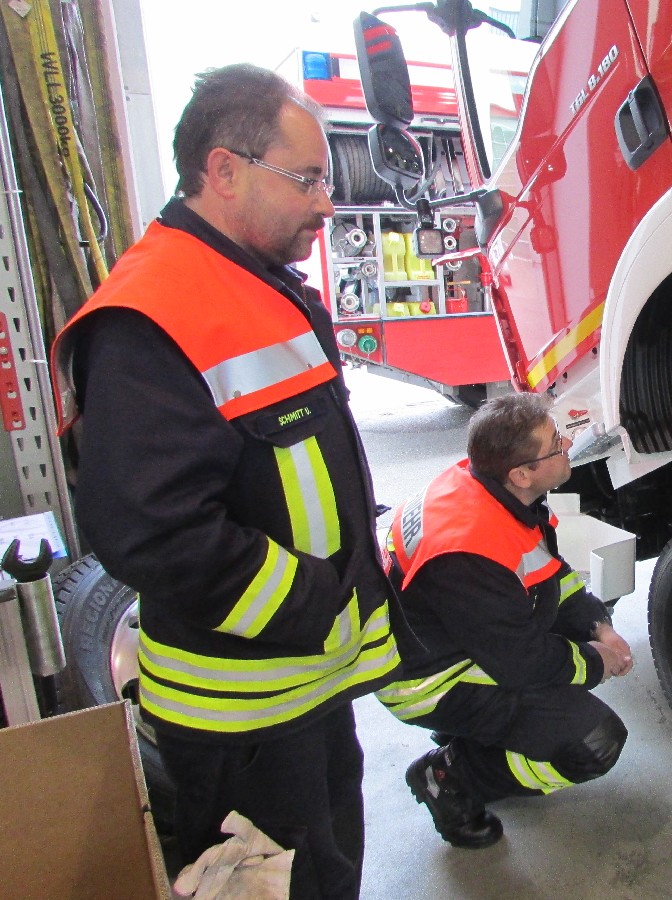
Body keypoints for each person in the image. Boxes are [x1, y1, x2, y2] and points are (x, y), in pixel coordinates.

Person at [50, 64, 404, 899]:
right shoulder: (151, 315)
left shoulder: (256, 283)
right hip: (243, 718)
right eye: (307, 179)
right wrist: (311, 599)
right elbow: (149, 530)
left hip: (303, 691)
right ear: (224, 170)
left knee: (328, 874)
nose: (327, 204)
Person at [376, 392, 633, 849]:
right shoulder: (469, 551)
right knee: (594, 740)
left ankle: (469, 736)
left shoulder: (488, 490)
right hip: (426, 682)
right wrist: (597, 661)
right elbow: (522, 661)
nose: (567, 444)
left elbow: (547, 574)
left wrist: (598, 625)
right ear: (522, 473)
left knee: (560, 643)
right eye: (555, 443)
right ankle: (450, 777)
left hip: (449, 639)